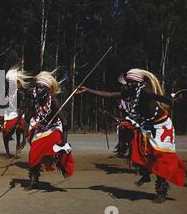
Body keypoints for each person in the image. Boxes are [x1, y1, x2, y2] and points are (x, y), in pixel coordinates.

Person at [77, 68, 185, 203]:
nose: (127, 84)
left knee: (161, 159)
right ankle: (145, 174)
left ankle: (161, 191)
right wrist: (88, 90)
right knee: (137, 149)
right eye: (127, 82)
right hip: (146, 126)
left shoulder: (145, 92)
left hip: (162, 127)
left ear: (139, 83)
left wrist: (174, 100)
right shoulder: (129, 93)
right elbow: (110, 95)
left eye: (131, 82)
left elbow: (164, 99)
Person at [20, 71, 74, 190]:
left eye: (41, 87)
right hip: (41, 127)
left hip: (55, 127)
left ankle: (59, 159)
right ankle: (34, 179)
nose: (38, 89)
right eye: (37, 87)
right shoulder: (34, 101)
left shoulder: (53, 101)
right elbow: (27, 120)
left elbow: (65, 122)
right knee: (34, 148)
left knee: (55, 139)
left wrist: (64, 143)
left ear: (48, 89)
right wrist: (23, 140)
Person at [0, 67, 30, 158]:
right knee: (5, 134)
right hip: (8, 115)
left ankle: (19, 145)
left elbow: (21, 108)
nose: (9, 84)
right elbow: (5, 104)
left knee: (22, 130)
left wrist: (17, 120)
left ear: (16, 83)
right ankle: (8, 152)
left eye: (11, 83)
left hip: (18, 114)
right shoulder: (7, 93)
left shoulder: (19, 93)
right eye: (8, 83)